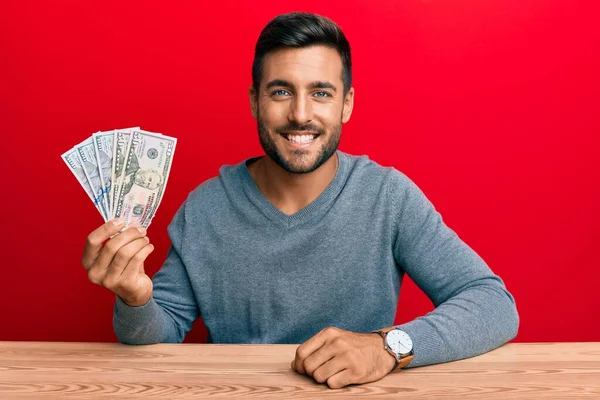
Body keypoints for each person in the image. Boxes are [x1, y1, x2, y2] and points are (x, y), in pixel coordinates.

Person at [81, 12, 519, 389]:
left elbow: (493, 304)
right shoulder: (206, 206)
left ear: (346, 104)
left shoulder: (388, 196)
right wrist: (136, 299)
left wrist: (386, 348)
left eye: (321, 93)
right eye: (281, 91)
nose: (301, 114)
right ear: (255, 101)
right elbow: (159, 337)